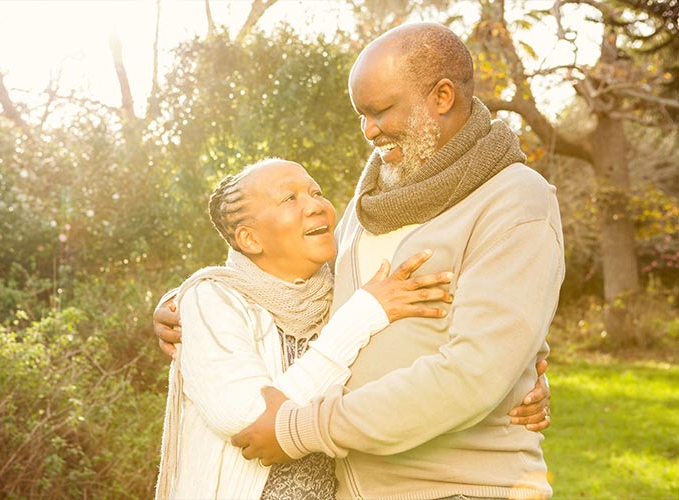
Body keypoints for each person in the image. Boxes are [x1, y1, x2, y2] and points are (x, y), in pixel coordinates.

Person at [229, 22, 564, 500]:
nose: (368, 130)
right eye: (361, 115)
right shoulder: (372, 204)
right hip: (354, 487)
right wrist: (201, 297)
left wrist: (298, 429)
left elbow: (472, 373)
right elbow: (296, 289)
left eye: (380, 110)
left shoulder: (515, 200)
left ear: (442, 97)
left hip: (460, 489)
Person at [154, 158, 460, 500]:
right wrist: (362, 315)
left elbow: (425, 359)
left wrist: (526, 381)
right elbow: (248, 419)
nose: (316, 205)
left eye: (316, 192)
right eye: (290, 199)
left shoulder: (343, 294)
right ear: (250, 239)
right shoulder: (211, 299)